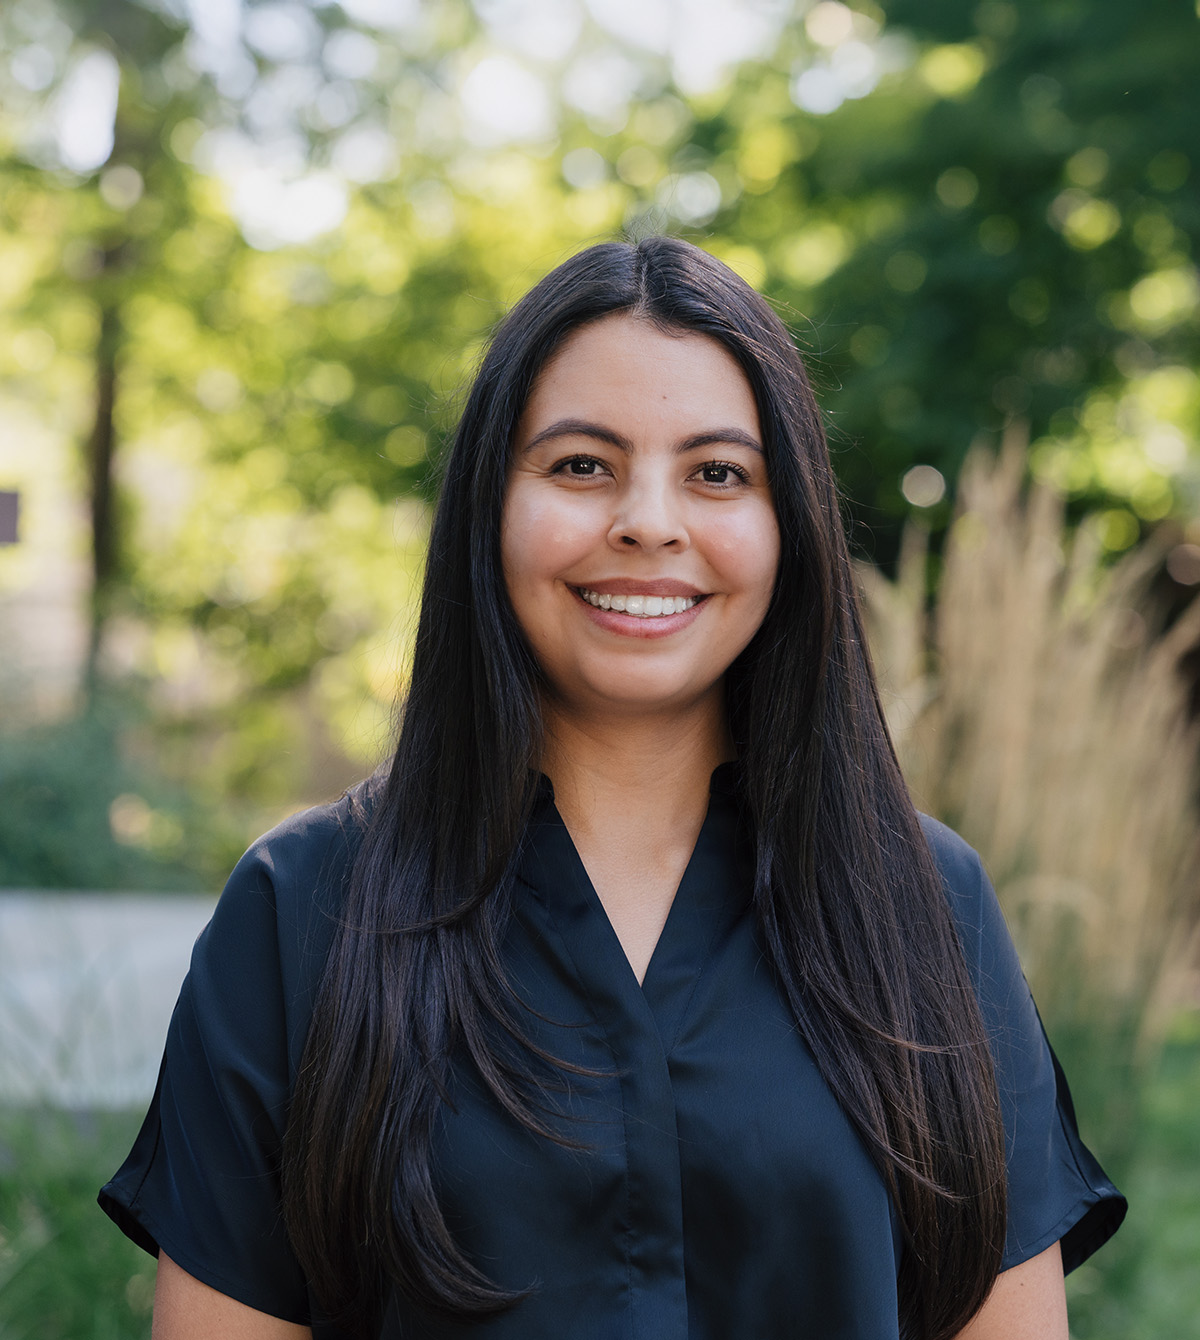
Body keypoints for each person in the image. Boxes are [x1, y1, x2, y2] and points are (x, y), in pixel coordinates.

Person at [100, 237, 1125, 1340]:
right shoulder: (302, 909)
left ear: (791, 527)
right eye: (582, 464)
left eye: (718, 473)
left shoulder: (924, 903)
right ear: (490, 506)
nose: (648, 519)